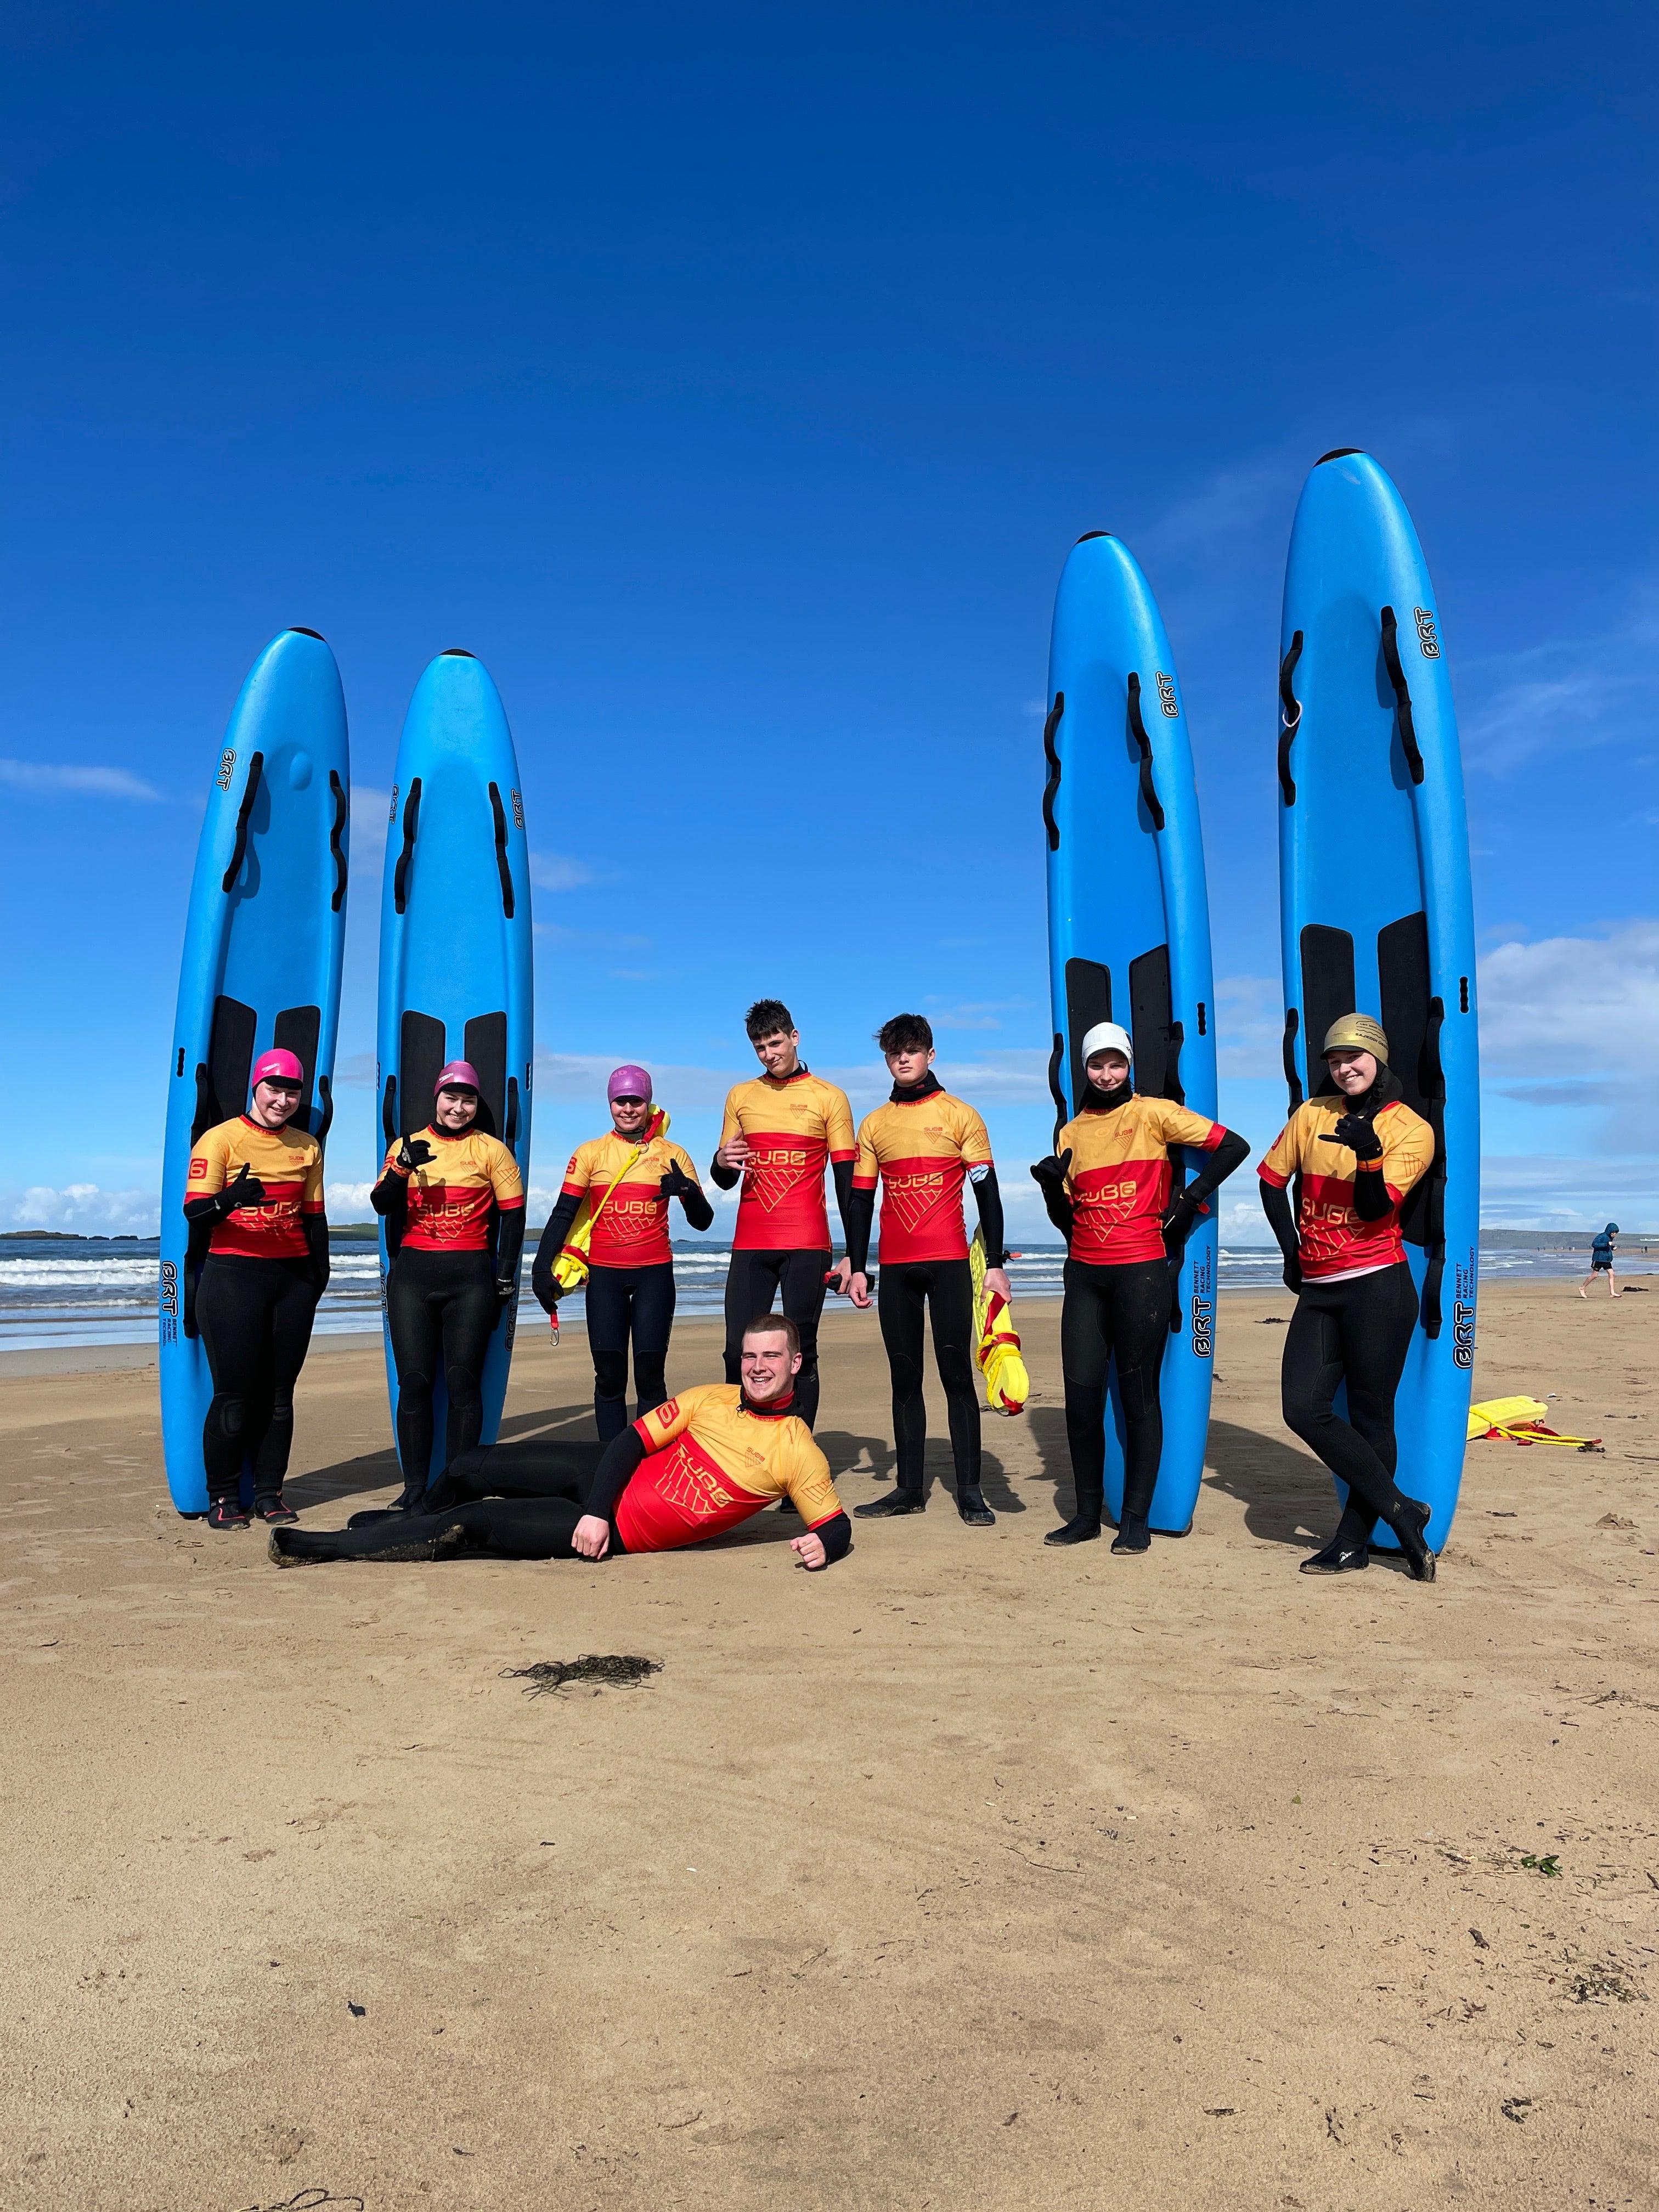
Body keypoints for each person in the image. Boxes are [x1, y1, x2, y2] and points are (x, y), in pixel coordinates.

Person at [267, 1316, 853, 1572]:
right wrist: (598, 1506)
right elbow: (629, 1442)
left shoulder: (796, 1450)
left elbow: (834, 1523)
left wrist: (823, 1546)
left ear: (795, 1363)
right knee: (471, 1465)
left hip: (618, 1532)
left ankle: (325, 1547)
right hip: (602, 1481)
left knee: (473, 1524)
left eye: (770, 1356)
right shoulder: (713, 1397)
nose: (757, 1367)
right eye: (750, 1355)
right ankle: (411, 1513)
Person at [1029, 1020, 1250, 1553]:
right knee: (1080, 1401)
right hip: (1084, 1275)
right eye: (1096, 1065)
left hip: (1142, 1273)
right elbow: (1066, 1222)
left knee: (1137, 1398)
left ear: (1129, 1065)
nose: (1106, 1074)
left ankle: (1135, 1518)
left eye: (1116, 1063)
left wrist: (1187, 1205)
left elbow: (1233, 1147)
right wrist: (1049, 1189)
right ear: (1084, 1069)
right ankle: (1084, 1515)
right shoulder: (1071, 1132)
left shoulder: (1153, 1114)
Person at [1257, 1013, 1438, 1581]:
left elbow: (1375, 1209)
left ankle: (1352, 1541)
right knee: (1302, 1408)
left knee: (1370, 1417)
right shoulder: (1312, 1113)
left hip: (1378, 1287)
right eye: (1334, 1060)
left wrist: (1368, 1155)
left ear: (1378, 1060)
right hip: (1319, 1287)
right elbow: (1269, 1180)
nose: (1343, 1068)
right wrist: (1291, 1251)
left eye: (1354, 1058)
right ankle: (1403, 1510)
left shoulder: (1412, 1128)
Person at [844, 1013, 1009, 1527]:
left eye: (912, 1050)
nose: (903, 1059)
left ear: (930, 1054)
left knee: (957, 1375)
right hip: (895, 1268)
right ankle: (909, 1490)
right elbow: (860, 1200)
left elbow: (988, 1196)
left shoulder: (961, 1115)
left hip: (948, 1265)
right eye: (895, 1053)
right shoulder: (874, 1125)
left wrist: (996, 1264)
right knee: (904, 1377)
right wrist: (856, 1265)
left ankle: (970, 1491)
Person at [183, 1047, 329, 1530]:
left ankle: (269, 1493)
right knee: (235, 1392)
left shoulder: (307, 1145)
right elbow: (195, 1213)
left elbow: (314, 1219)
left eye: (292, 1091)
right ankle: (223, 1495)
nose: (283, 1100)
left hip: (290, 1283)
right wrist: (231, 1198)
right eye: (275, 1088)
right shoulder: (218, 1140)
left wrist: (317, 1280)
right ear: (255, 1087)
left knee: (280, 1393)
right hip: (232, 1278)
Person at [370, 1060, 526, 1509]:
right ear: (436, 1099)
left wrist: (503, 1279)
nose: (459, 1107)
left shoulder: (492, 1150)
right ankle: (414, 1489)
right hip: (413, 1280)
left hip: (471, 1281)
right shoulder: (406, 1145)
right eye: (451, 1098)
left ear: (478, 1104)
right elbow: (382, 1204)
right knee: (415, 1384)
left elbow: (513, 1218)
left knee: (463, 1385)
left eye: (468, 1099)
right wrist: (401, 1168)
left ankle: (456, 1489)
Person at [531, 1065, 714, 1438]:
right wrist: (539, 1269)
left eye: (636, 1101)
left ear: (648, 1103)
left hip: (654, 1276)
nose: (628, 1109)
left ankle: (650, 1467)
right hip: (605, 1279)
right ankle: (609, 1464)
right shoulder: (591, 1153)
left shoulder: (672, 1154)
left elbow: (703, 1222)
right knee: (609, 1377)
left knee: (650, 1377)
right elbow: (563, 1213)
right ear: (610, 1103)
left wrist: (688, 1192)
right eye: (621, 1101)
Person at [709, 1000, 856, 1430]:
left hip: (807, 1243)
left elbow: (848, 1184)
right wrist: (720, 1159)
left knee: (801, 1351)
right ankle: (740, 1450)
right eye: (759, 1047)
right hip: (752, 1242)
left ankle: (797, 1451)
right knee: (738, 1349)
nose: (769, 1054)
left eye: (775, 1043)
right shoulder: (740, 1096)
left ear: (795, 1038)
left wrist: (855, 1256)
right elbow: (724, 1179)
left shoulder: (829, 1097)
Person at [1581, 1223, 1620, 1299]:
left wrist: (1612, 1248)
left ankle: (1612, 1293)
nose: (1614, 1234)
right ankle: (1582, 1288)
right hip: (1598, 1259)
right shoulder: (1601, 1236)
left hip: (1606, 1260)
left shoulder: (1610, 1238)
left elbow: (1607, 1247)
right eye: (1613, 1232)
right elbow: (1594, 1244)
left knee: (1611, 1274)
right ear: (1609, 1231)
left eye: (1616, 1233)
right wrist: (1606, 1244)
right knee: (1595, 1276)